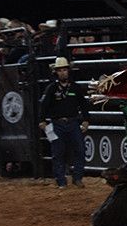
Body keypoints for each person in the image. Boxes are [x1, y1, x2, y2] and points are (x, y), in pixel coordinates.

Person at [38, 57, 90, 188]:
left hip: (73, 122)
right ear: (56, 72)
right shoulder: (51, 88)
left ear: (68, 71)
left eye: (64, 70)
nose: (62, 73)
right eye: (60, 70)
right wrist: (42, 120)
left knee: (80, 150)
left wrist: (86, 120)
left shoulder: (75, 88)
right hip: (57, 123)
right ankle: (61, 180)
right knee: (58, 153)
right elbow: (44, 106)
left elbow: (83, 104)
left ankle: (77, 178)